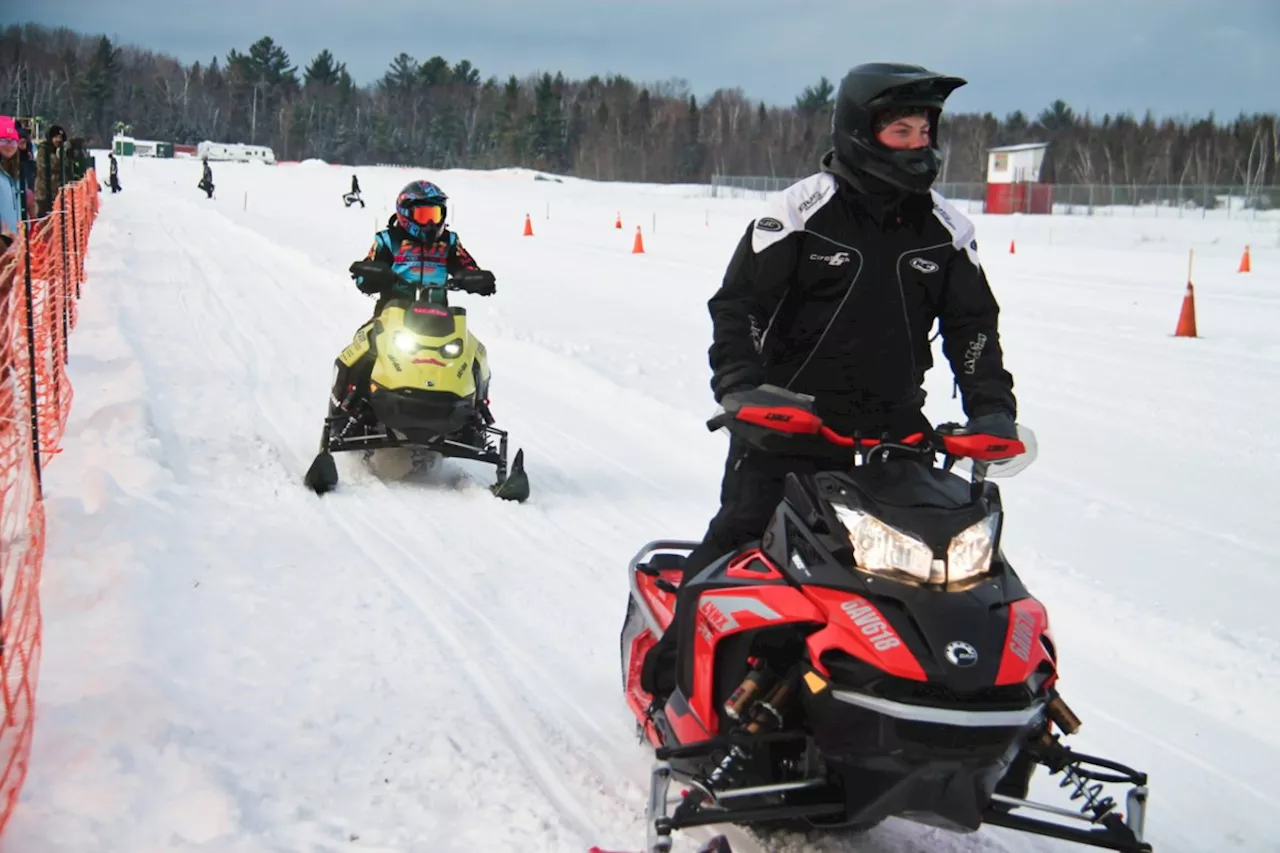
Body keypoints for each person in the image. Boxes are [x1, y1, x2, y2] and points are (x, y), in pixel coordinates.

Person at [640, 62, 1019, 698]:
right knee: (739, 539)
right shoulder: (801, 212)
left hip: (896, 436)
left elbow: (973, 329)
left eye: (924, 130)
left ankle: (923, 701)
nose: (918, 143)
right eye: (902, 130)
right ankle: (676, 677)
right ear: (861, 131)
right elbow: (739, 307)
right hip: (789, 427)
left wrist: (991, 411)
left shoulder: (947, 232)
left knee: (938, 571)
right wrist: (742, 386)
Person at [329, 180, 495, 418]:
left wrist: (475, 279)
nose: (431, 222)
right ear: (406, 214)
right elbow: (367, 271)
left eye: (436, 214)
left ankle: (476, 415)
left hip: (439, 318)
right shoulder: (387, 240)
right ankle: (342, 412)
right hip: (392, 313)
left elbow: (465, 265)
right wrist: (373, 275)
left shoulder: (449, 241)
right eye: (424, 214)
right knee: (359, 349)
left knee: (475, 352)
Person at [34, 124, 66, 218]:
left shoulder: (60, 151)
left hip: (57, 194)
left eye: (60, 137)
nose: (58, 140)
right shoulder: (43, 150)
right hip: (44, 194)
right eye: (55, 137)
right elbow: (44, 168)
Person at [0, 117, 22, 252]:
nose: (8, 145)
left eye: (13, 141)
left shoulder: (15, 173)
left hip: (13, 241)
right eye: (3, 140)